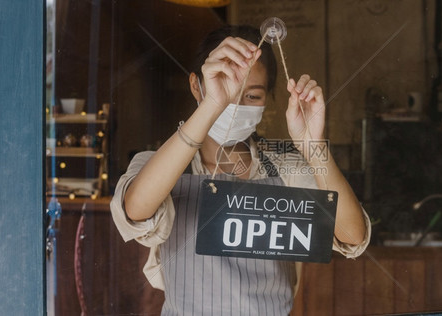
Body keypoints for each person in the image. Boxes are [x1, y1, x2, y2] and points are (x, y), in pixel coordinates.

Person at [111, 25, 371, 315]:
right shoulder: (158, 163)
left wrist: (313, 147)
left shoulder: (286, 164)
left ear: (268, 100)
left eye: (252, 96)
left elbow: (352, 235)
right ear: (196, 85)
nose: (235, 104)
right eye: (225, 87)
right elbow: (134, 211)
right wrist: (212, 105)